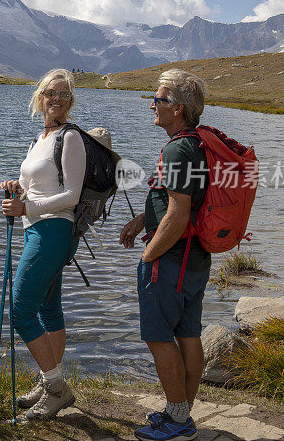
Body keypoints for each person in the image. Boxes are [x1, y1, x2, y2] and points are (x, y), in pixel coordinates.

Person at [119, 69, 209, 441]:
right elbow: (181, 199)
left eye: (160, 99)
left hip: (171, 259)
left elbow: (178, 212)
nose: (153, 105)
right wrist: (144, 218)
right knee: (187, 333)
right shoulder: (196, 143)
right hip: (196, 257)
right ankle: (181, 412)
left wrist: (148, 257)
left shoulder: (176, 148)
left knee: (158, 336)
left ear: (180, 109)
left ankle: (177, 421)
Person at [0, 68, 85, 420]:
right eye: (51, 93)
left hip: (53, 231)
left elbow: (72, 195)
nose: (57, 99)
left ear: (70, 101)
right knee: (48, 310)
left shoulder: (71, 137)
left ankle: (56, 389)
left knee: (21, 311)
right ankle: (48, 379)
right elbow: (30, 185)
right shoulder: (39, 139)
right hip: (36, 229)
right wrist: (14, 190)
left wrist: (27, 206)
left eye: (64, 94)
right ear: (40, 97)